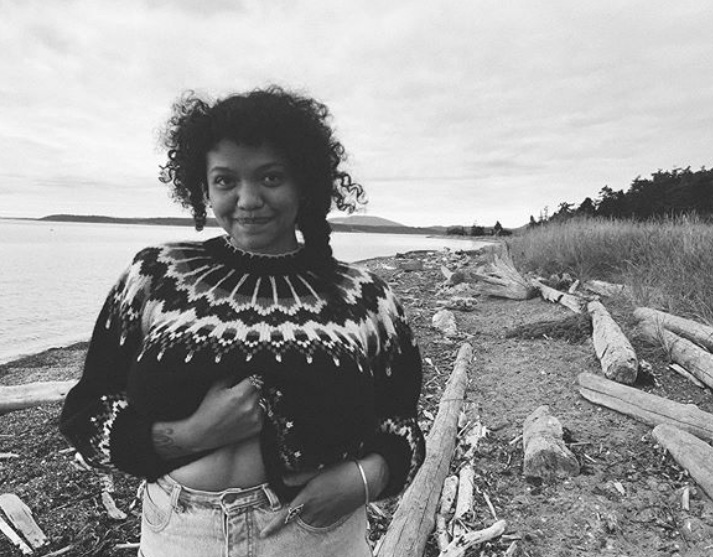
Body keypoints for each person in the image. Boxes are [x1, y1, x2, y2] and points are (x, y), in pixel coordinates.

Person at [60, 86, 426, 557]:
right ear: (203, 187)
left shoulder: (365, 298)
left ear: (304, 182)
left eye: (271, 177)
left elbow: (403, 427)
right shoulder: (157, 276)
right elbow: (86, 412)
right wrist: (186, 437)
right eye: (225, 180)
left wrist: (366, 479)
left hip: (316, 535)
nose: (248, 199)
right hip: (182, 535)